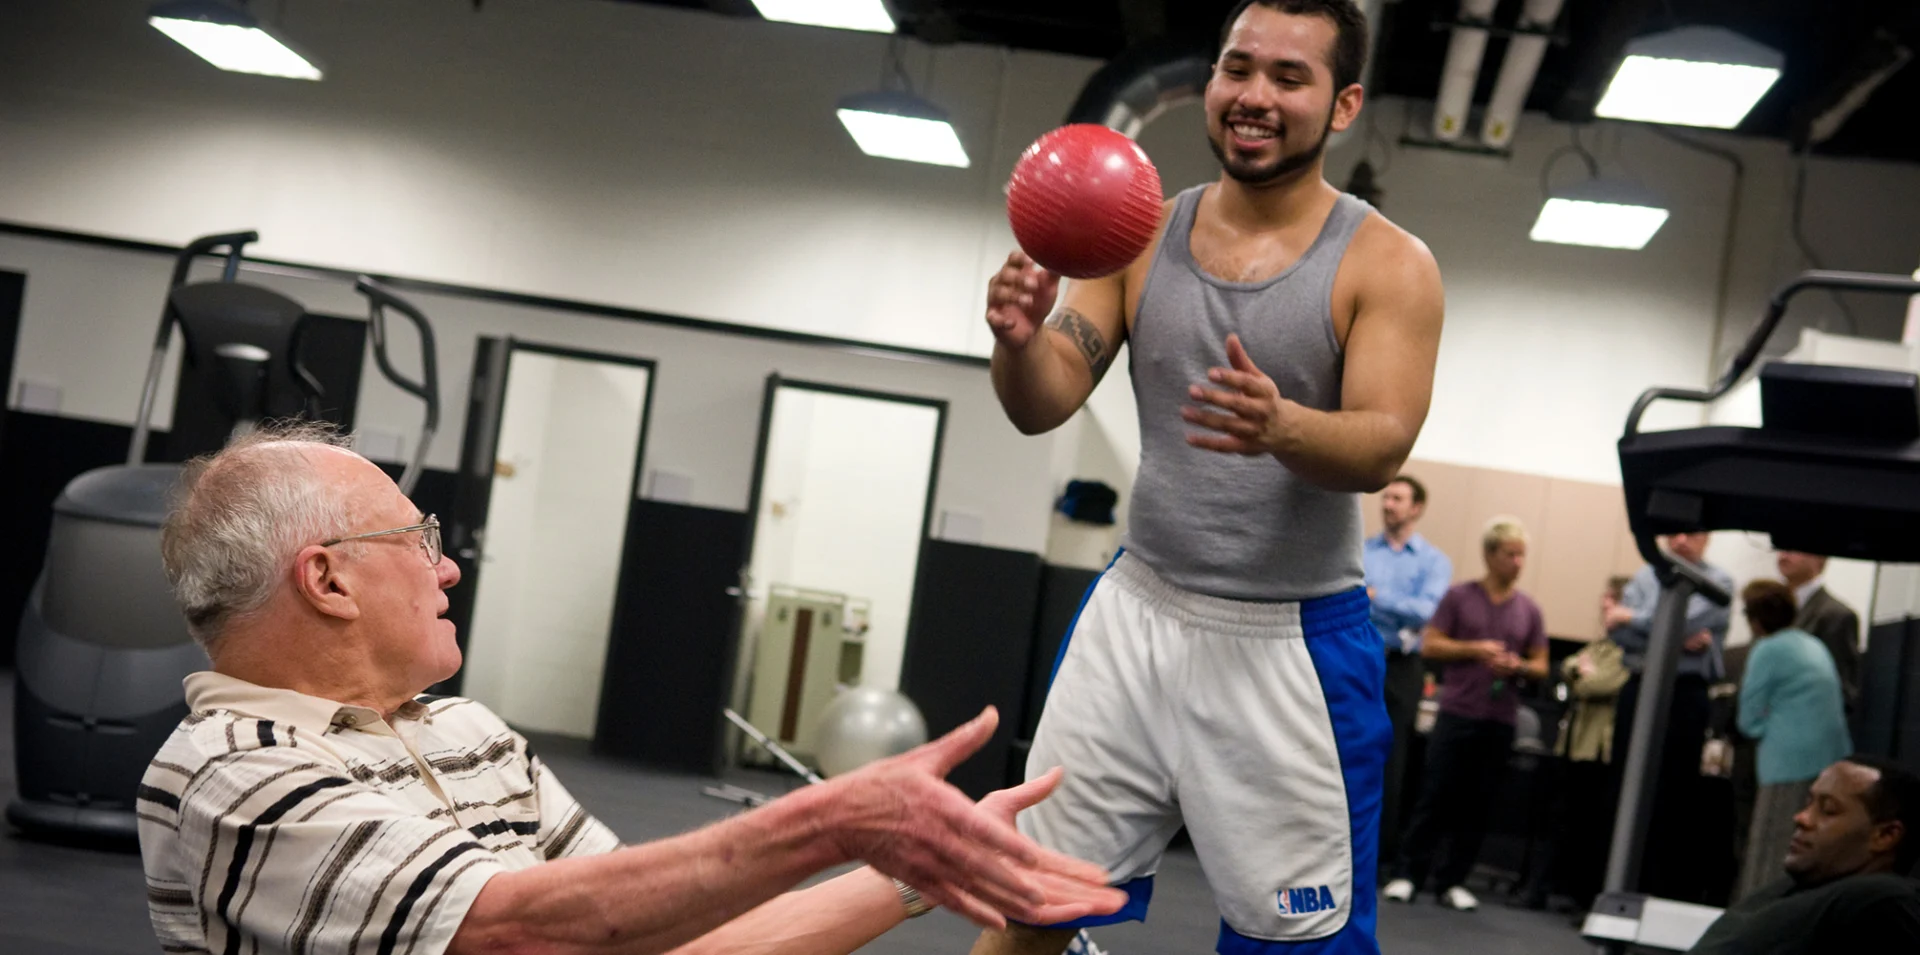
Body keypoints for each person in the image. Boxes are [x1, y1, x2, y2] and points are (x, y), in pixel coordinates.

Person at [137, 425, 1125, 955]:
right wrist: (837, 821)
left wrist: (918, 866)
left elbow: (677, 938)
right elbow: (519, 929)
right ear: (328, 579)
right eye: (418, 540)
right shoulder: (233, 772)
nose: (447, 571)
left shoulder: (466, 732)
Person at [978, 0, 1444, 949]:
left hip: (1292, 646)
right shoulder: (1136, 232)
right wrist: (1018, 342)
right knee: (1034, 901)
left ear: (1344, 103)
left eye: (1289, 77)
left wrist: (1282, 425)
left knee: (1293, 944)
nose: (1254, 96)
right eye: (1238, 69)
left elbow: (1383, 442)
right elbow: (1043, 400)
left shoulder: (1389, 264)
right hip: (1136, 614)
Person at [1381, 517, 1547, 911]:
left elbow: (1541, 664)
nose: (1518, 561)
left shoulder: (1529, 610)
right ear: (1490, 555)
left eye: (1523, 554)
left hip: (1500, 718)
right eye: (1510, 553)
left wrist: (1518, 667)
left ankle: (1453, 881)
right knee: (1434, 795)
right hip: (1458, 712)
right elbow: (1431, 646)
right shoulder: (1459, 597)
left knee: (1479, 803)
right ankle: (1408, 874)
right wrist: (1476, 650)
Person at [1603, 531, 1735, 902]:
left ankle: (1655, 895)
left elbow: (1679, 621)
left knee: (1672, 796)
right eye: (1673, 534)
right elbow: (1620, 638)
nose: (1680, 541)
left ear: (1706, 538)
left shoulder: (1719, 582)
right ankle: (1613, 890)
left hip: (1684, 696)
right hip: (1639, 687)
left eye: (1691, 533)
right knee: (1622, 784)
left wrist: (1631, 617)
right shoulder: (1646, 576)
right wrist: (1674, 637)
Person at [1690, 756, 1920, 953]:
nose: (1801, 817)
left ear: (1886, 835)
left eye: (1828, 810)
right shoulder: (1795, 886)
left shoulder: (1881, 898)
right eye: (1808, 803)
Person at [1731, 580, 1853, 903]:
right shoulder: (1812, 644)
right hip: (1830, 763)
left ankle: (1753, 928)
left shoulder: (1768, 649)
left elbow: (1748, 721)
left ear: (1754, 618)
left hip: (1787, 765)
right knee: (1805, 853)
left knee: (1769, 854)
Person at [1363, 474, 1453, 862]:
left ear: (1416, 508)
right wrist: (1391, 606)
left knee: (1392, 759)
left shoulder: (1434, 561)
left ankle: (1380, 857)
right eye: (1385, 496)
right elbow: (1350, 599)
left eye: (1397, 498)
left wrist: (1377, 596)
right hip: (1360, 658)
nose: (1387, 504)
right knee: (1344, 750)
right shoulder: (1361, 550)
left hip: (1402, 666)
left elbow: (1426, 611)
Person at [1533, 576, 1633, 912]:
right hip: (1573, 743)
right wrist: (1581, 672)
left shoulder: (1629, 652)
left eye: (1610, 605)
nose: (1604, 613)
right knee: (1560, 819)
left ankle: (1586, 899)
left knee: (1593, 824)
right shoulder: (1601, 646)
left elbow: (1597, 684)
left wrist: (1582, 674)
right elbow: (1569, 666)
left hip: (1599, 749)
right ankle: (1548, 889)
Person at [1775, 551, 1862, 714]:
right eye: (1781, 546)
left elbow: (1841, 691)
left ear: (1819, 557)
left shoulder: (1836, 616)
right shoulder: (1769, 608)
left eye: (1794, 547)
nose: (1784, 554)